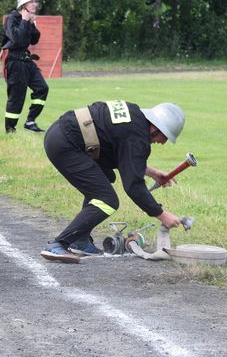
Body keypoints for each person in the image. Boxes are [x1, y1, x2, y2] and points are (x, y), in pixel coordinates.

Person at [40, 101, 185, 263]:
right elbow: (134, 186)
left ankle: (80, 240)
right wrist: (161, 214)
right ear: (154, 128)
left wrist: (152, 172)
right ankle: (59, 243)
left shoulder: (134, 118)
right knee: (107, 200)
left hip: (60, 134)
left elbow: (123, 154)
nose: (162, 142)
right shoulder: (137, 137)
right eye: (164, 136)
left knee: (106, 177)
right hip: (66, 145)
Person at [2, 0, 49, 134]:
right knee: (17, 97)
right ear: (24, 5)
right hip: (15, 62)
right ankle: (10, 129)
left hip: (27, 61)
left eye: (35, 1)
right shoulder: (12, 19)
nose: (35, 4)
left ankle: (30, 121)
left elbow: (34, 40)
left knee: (42, 88)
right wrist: (24, 21)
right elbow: (18, 39)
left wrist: (32, 24)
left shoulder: (28, 19)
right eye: (32, 2)